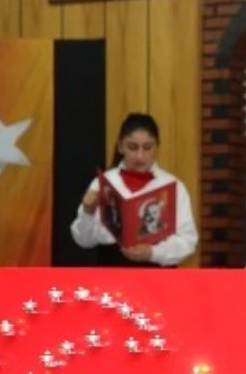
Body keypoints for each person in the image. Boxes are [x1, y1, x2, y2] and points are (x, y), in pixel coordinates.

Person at [71, 113, 198, 267]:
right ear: (120, 146)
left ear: (157, 147)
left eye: (147, 147)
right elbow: (83, 241)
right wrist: (87, 212)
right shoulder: (103, 184)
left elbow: (187, 241)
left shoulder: (173, 186)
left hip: (157, 277)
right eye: (132, 147)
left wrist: (153, 252)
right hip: (112, 272)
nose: (140, 156)